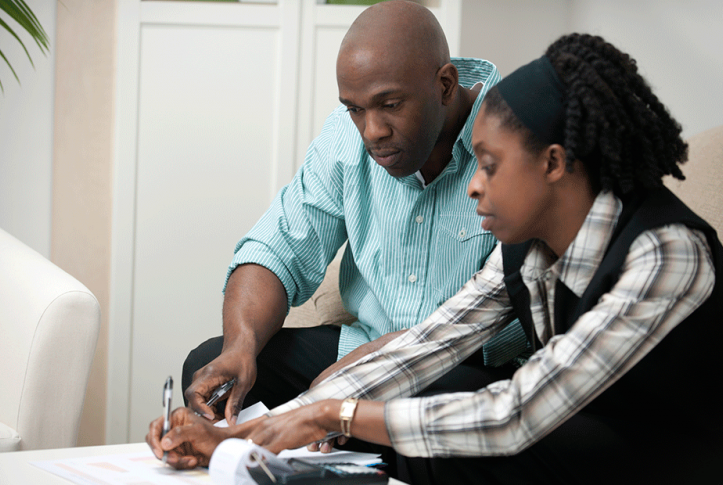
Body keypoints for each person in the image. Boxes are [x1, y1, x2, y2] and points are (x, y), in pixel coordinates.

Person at [150, 33, 722, 483]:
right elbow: (428, 343)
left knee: (429, 441)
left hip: (657, 456)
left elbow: (515, 413)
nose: (473, 186)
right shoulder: (527, 241)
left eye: (491, 165)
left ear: (552, 163)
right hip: (568, 433)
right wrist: (255, 433)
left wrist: (332, 417)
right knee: (416, 437)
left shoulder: (666, 253)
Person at [182, 0, 528, 429]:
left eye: (390, 105)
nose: (371, 131)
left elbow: (505, 318)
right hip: (358, 350)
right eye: (355, 108)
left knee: (401, 407)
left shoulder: (517, 137)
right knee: (211, 371)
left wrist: (365, 374)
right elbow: (278, 247)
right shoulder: (347, 135)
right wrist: (241, 344)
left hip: (469, 365)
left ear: (444, 85)